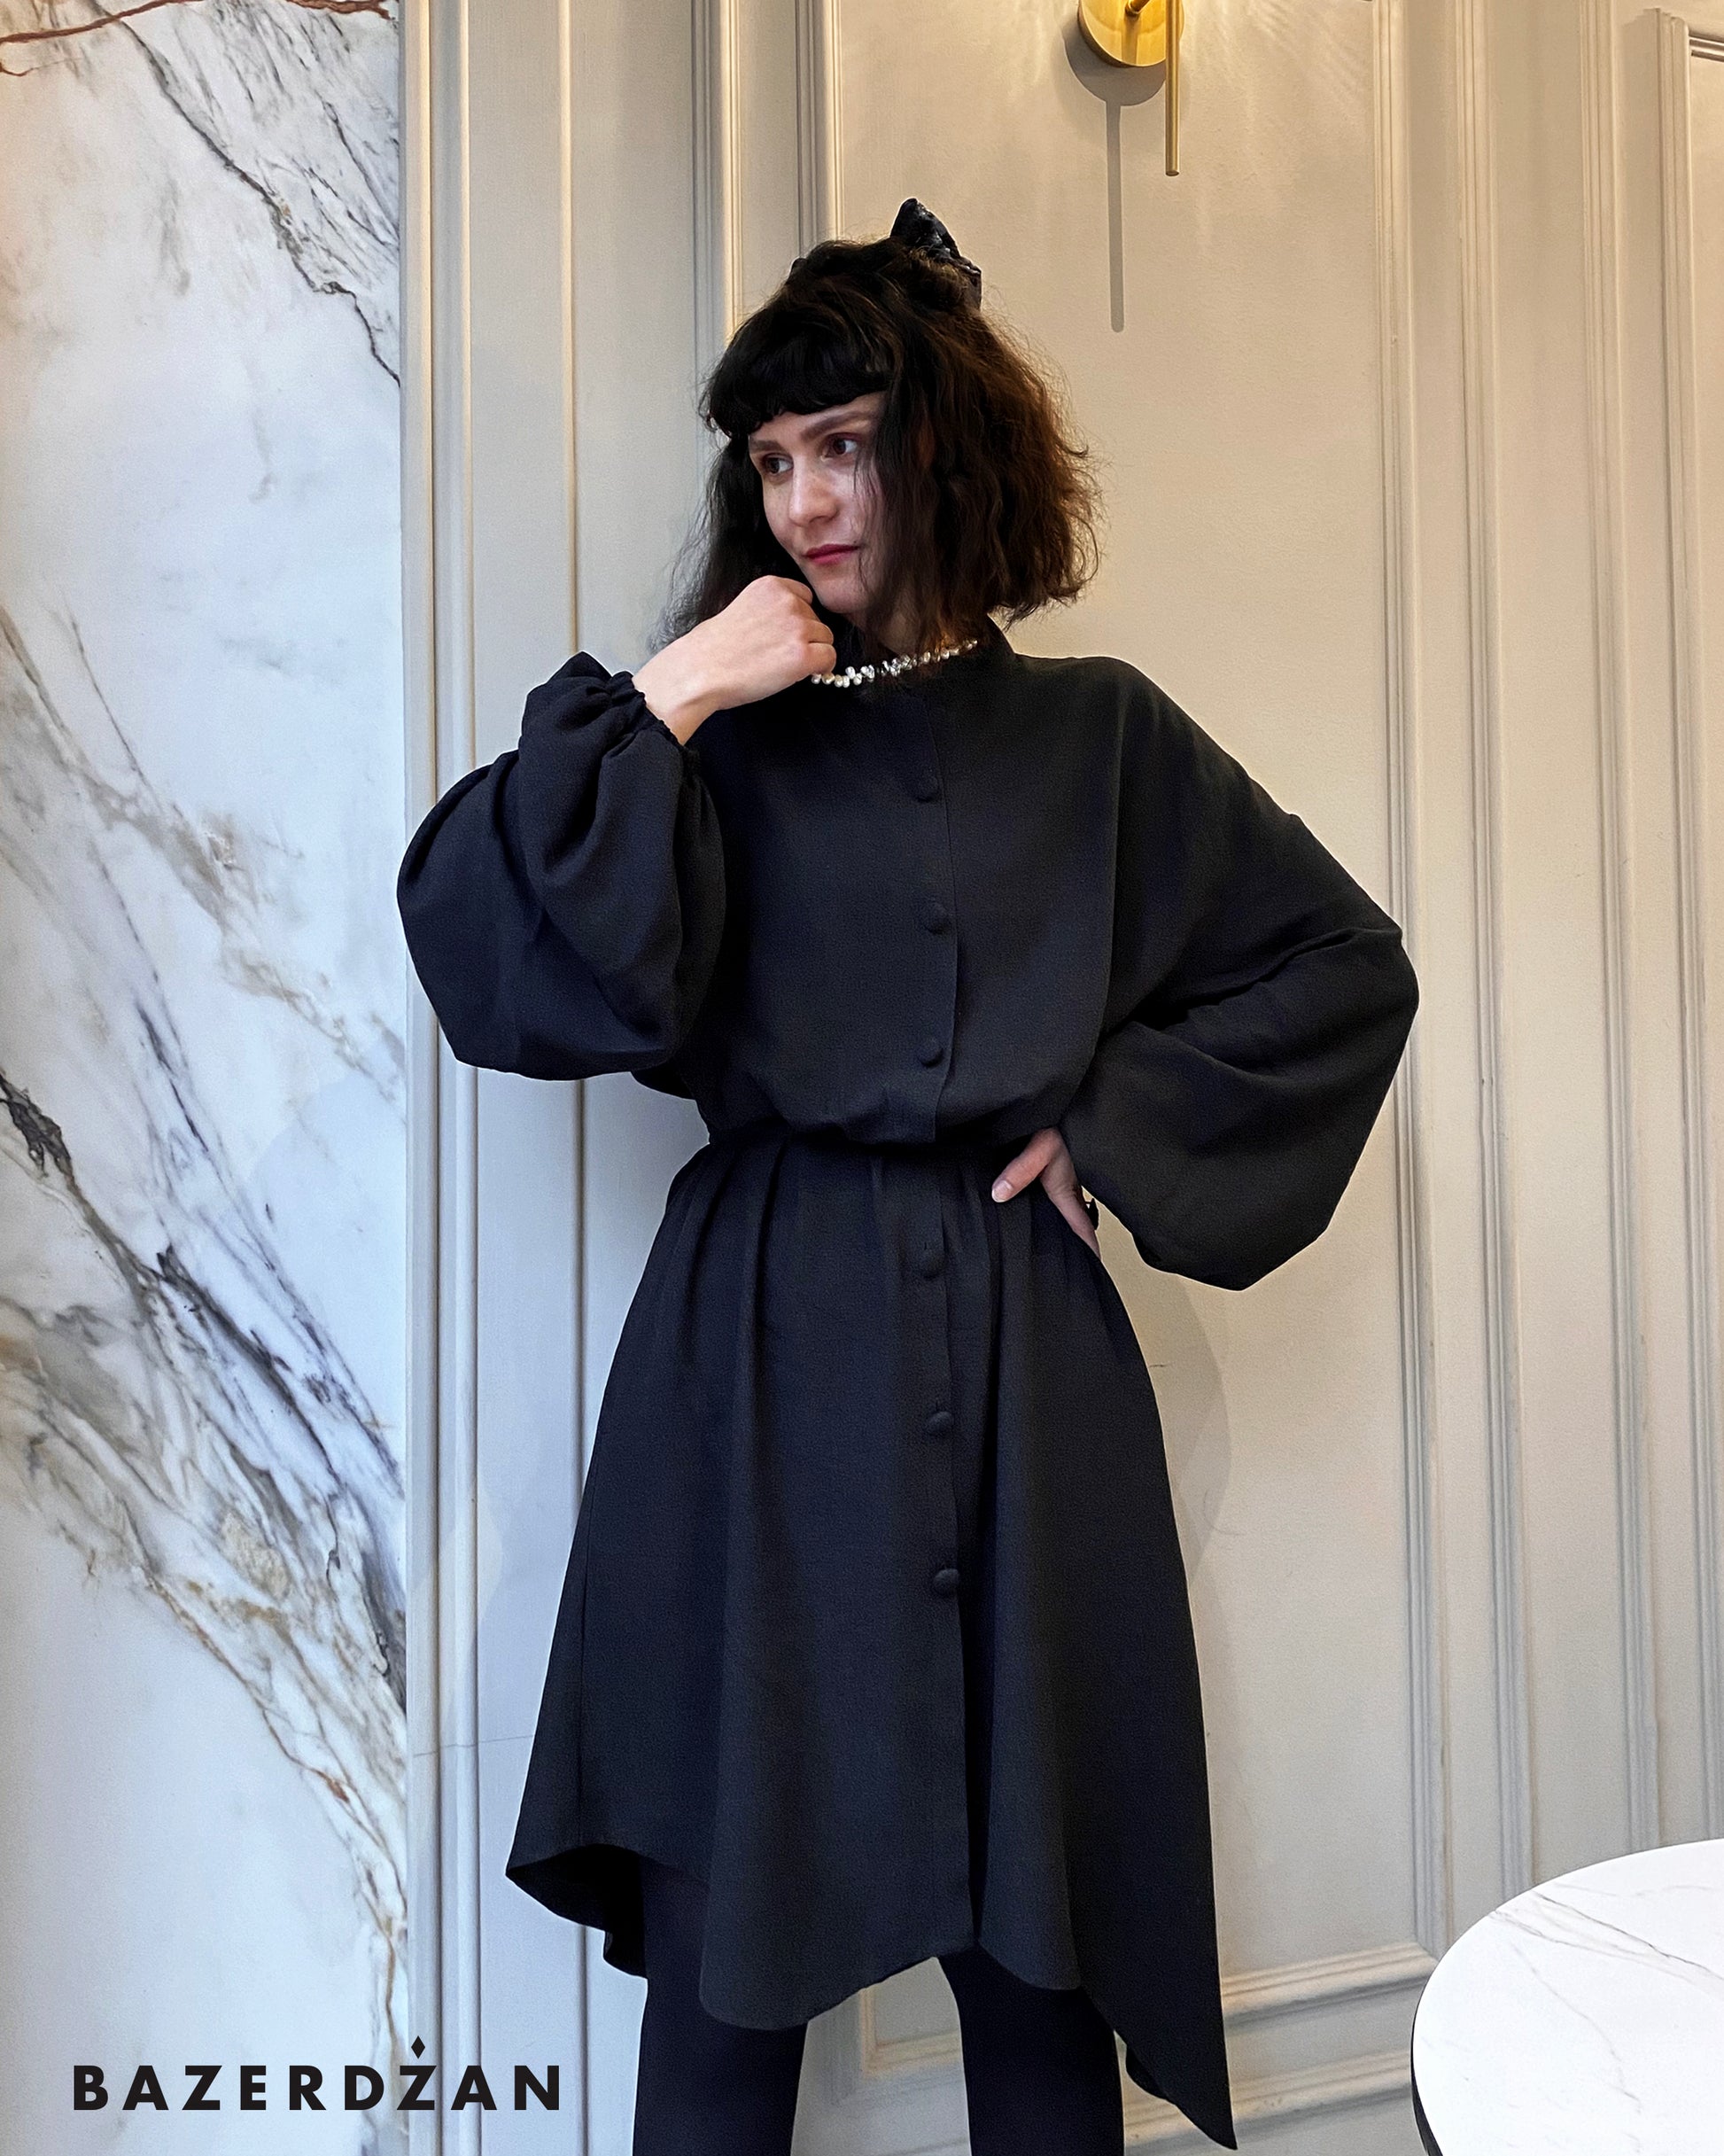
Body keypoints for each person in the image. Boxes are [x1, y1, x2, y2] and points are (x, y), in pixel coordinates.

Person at [396, 198, 1419, 2154]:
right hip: (756, 1365)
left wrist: (1110, 1119)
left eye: (843, 446)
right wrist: (675, 688)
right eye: (771, 461)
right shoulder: (714, 748)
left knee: (1042, 1965)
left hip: (1026, 1373)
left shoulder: (1097, 737)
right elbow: (479, 934)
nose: (803, 500)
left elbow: (1338, 964)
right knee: (724, 1965)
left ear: (939, 445)